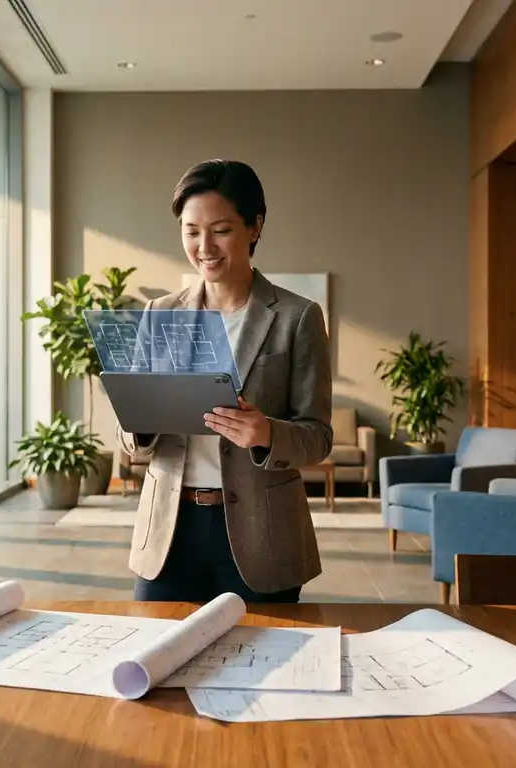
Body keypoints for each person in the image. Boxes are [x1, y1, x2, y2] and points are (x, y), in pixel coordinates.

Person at [116, 158, 333, 603]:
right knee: (159, 648)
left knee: (260, 649)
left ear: (255, 227)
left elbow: (318, 437)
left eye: (220, 230)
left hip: (262, 535)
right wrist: (140, 425)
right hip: (169, 532)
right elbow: (128, 435)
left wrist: (267, 433)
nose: (204, 247)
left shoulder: (297, 318)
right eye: (191, 231)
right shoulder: (160, 313)